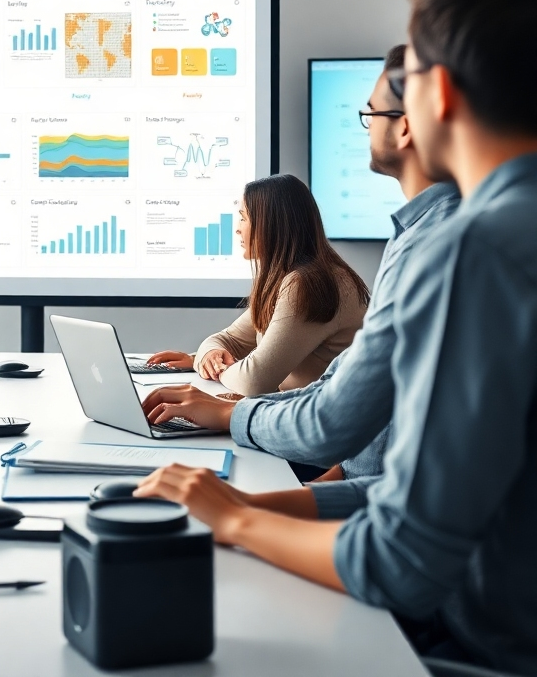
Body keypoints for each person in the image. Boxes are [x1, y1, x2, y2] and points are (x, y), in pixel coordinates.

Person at [136, 0, 537, 674]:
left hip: (482, 649)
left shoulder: (472, 251)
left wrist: (237, 520)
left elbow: (400, 562)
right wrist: (258, 508)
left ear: (435, 97)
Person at [141, 47, 460, 519]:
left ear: (407, 125)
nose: (237, 229)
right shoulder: (396, 241)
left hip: (315, 452)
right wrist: (206, 357)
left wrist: (228, 415)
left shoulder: (320, 280)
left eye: (369, 114)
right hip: (338, 463)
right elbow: (364, 455)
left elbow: (321, 415)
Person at [147, 174, 369, 395]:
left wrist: (219, 369)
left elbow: (253, 382)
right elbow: (227, 339)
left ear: (270, 225)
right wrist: (206, 357)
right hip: (300, 413)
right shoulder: (286, 277)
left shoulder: (308, 284)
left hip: (320, 424)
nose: (237, 228)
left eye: (243, 217)